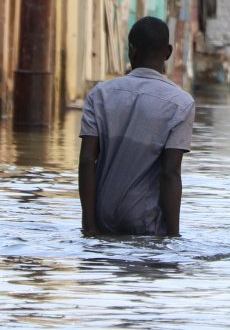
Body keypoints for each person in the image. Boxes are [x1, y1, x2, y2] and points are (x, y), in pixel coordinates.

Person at [79, 16, 195, 237]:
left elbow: (86, 160)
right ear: (168, 53)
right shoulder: (181, 103)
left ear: (131, 50)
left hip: (102, 218)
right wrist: (173, 237)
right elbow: (170, 173)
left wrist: (90, 225)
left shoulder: (100, 95)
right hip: (146, 223)